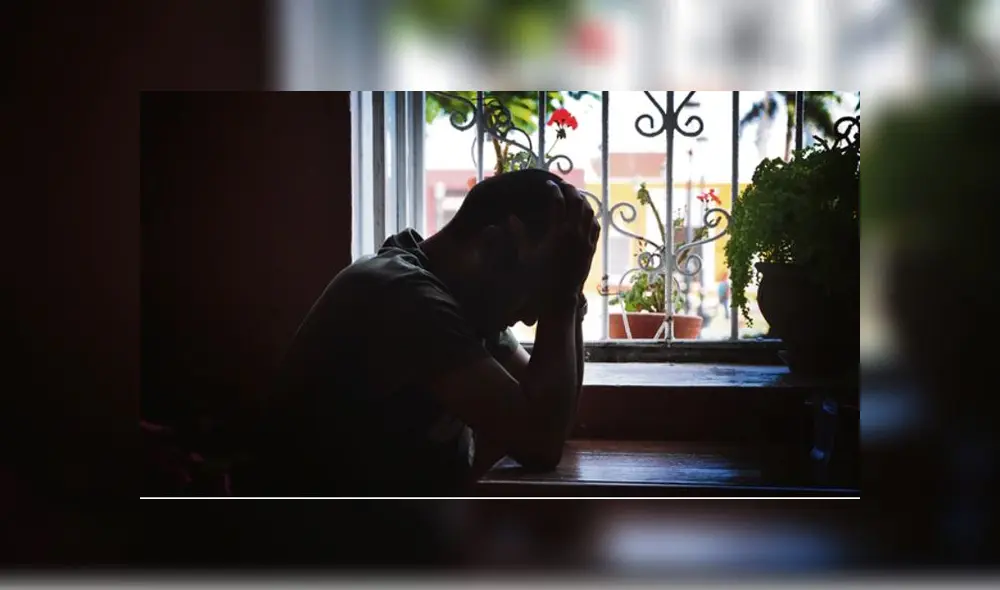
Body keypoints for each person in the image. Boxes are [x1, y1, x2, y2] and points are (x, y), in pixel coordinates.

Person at [242, 169, 600, 496]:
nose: (530, 318)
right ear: (493, 248)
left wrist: (569, 291)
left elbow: (552, 420)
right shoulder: (402, 296)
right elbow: (541, 442)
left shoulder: (468, 302)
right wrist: (561, 294)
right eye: (531, 291)